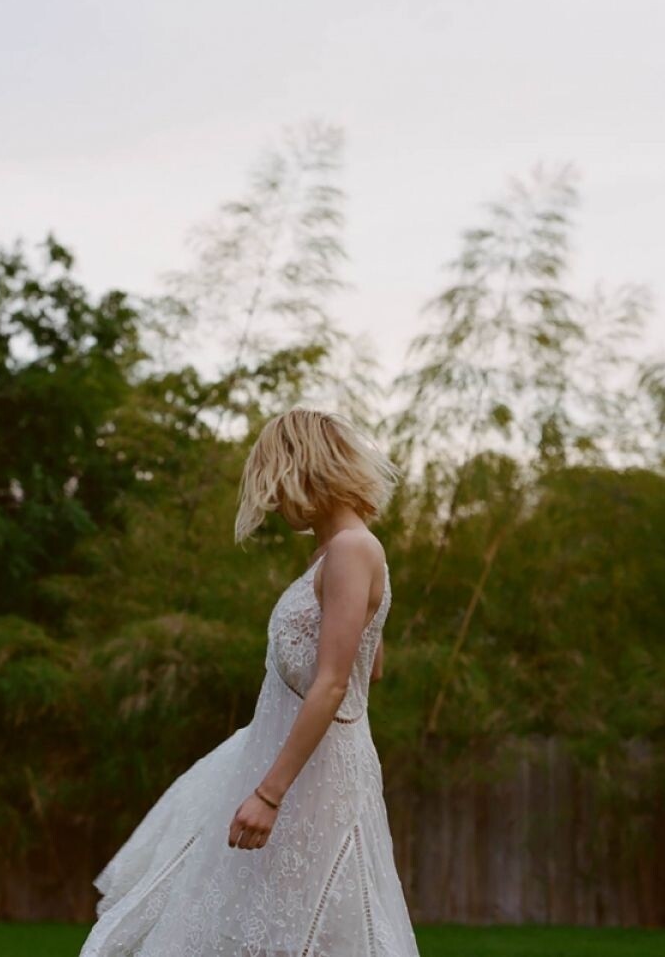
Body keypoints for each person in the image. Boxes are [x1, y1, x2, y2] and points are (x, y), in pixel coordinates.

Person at [78, 407, 422, 957]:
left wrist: (268, 794)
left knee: (301, 929)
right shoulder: (335, 552)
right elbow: (371, 666)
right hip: (289, 758)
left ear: (304, 470)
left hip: (314, 776)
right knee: (239, 914)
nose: (275, 503)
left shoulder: (351, 550)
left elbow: (335, 684)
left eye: (276, 485)